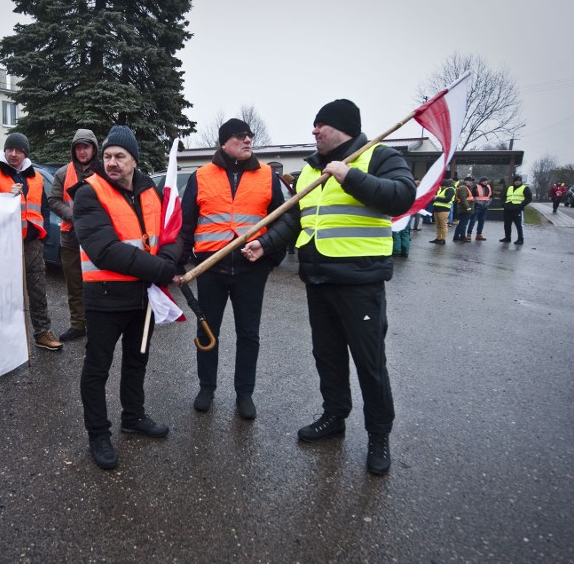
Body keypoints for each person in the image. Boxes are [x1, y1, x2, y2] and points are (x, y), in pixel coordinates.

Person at [243, 98, 415, 475]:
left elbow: (402, 197)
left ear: (340, 127)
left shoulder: (378, 156)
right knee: (328, 357)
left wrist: (349, 176)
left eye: (319, 125)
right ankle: (334, 416)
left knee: (369, 363)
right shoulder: (309, 170)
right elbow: (295, 220)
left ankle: (378, 435)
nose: (314, 132)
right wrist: (266, 243)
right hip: (317, 280)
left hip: (360, 281)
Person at [73, 125, 182, 470]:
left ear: (134, 159)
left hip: (142, 299)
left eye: (119, 156)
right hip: (104, 299)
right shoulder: (89, 193)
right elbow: (105, 250)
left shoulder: (150, 189)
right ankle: (98, 434)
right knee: (97, 369)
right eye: (107, 156)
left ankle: (133, 417)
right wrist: (161, 270)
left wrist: (169, 259)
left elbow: (171, 232)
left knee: (137, 362)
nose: (112, 162)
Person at [178, 118, 287, 420]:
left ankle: (244, 393)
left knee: (248, 334)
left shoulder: (267, 175)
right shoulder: (201, 176)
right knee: (207, 329)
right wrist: (178, 263)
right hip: (211, 270)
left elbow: (282, 222)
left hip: (251, 272)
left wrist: (270, 257)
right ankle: (206, 387)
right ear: (224, 142)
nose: (248, 140)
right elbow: (187, 224)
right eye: (240, 136)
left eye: (249, 136)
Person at [0, 133, 63, 351]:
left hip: (32, 244)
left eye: (19, 150)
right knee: (4, 291)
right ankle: (4, 339)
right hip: (4, 246)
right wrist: (6, 197)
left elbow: (42, 207)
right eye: (10, 150)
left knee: (37, 288)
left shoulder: (34, 177)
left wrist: (39, 233)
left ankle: (42, 333)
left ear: (25, 153)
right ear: (5, 151)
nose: (14, 154)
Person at [48, 129, 99, 342]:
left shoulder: (103, 172)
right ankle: (78, 325)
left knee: (96, 283)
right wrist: (73, 216)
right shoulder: (63, 173)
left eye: (86, 147)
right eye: (78, 147)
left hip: (96, 240)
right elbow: (53, 200)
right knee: (74, 285)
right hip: (70, 239)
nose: (82, 151)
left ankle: (97, 324)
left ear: (94, 149)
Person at [501, 175, 532, 245]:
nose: (517, 182)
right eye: (516, 181)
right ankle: (507, 238)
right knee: (507, 224)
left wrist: (520, 206)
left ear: (521, 181)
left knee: (519, 225)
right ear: (514, 181)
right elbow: (503, 197)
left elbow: (529, 198)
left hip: (517, 209)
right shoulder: (509, 188)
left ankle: (520, 239)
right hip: (508, 209)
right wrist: (503, 204)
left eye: (519, 181)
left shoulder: (525, 188)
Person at [428, 178, 454, 245]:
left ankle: (443, 239)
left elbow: (447, 199)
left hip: (444, 210)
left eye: (442, 185)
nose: (441, 187)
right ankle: (438, 238)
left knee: (443, 225)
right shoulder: (441, 189)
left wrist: (436, 198)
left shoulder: (450, 190)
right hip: (437, 209)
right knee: (438, 225)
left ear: (446, 185)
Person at [466, 176, 492, 240]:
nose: (485, 182)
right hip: (477, 206)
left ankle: (479, 234)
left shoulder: (488, 187)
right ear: (481, 181)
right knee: (473, 221)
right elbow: (472, 196)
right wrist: (476, 203)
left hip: (485, 207)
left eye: (486, 181)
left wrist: (488, 203)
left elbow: (491, 196)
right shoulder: (476, 187)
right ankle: (469, 234)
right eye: (484, 181)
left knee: (482, 221)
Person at [452, 177, 474, 243]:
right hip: (464, 209)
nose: (471, 183)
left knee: (461, 223)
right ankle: (462, 237)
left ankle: (456, 237)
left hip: (464, 208)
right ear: (466, 181)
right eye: (470, 181)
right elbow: (463, 198)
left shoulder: (464, 187)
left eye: (471, 182)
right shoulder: (463, 188)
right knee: (463, 224)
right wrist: (468, 207)